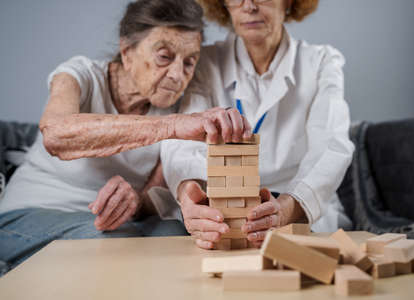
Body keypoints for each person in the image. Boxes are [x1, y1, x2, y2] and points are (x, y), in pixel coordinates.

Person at [0, 0, 251, 274]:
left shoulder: (178, 107)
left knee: (175, 237)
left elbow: (153, 194)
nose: (178, 75)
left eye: (189, 62)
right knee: (114, 248)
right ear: (127, 51)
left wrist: (134, 201)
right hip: (31, 212)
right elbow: (56, 134)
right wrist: (171, 126)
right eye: (164, 57)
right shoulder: (80, 74)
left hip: (113, 222)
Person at [160, 0, 355, 249]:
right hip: (222, 210)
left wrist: (286, 209)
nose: (249, 6)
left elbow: (331, 146)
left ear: (289, 3)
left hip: (296, 206)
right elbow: (181, 144)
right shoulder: (205, 63)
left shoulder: (321, 62)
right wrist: (191, 194)